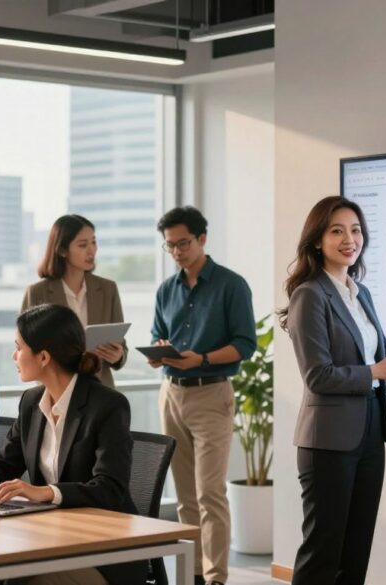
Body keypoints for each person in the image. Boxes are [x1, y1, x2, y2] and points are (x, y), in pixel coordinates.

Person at [279, 196, 386, 585]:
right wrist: (373, 370)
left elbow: (384, 359)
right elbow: (318, 376)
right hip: (329, 441)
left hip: (370, 431)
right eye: (336, 230)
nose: (348, 239)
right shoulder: (309, 294)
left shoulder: (360, 293)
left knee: (356, 552)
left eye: (355, 230)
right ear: (317, 240)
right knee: (323, 553)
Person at [0, 304, 146, 585]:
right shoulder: (31, 402)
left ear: (44, 356)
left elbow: (110, 488)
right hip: (50, 537)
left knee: (18, 578)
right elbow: (4, 461)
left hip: (104, 549)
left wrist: (45, 493)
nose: (14, 355)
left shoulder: (107, 406)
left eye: (18, 347)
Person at [148, 205, 256, 585]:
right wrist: (159, 350)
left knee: (210, 492)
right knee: (184, 496)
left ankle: (215, 578)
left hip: (211, 394)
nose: (177, 252)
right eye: (170, 246)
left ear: (202, 239)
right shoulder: (166, 289)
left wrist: (202, 359)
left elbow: (245, 345)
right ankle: (192, 574)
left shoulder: (231, 285)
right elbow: (157, 334)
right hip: (171, 393)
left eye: (183, 243)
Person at [21, 214, 127, 388]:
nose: (91, 250)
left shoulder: (108, 289)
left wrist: (118, 356)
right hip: (55, 391)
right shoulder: (37, 293)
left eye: (93, 242)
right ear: (62, 250)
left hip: (99, 391)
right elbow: (26, 350)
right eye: (83, 245)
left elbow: (122, 348)